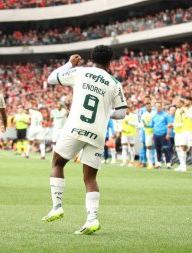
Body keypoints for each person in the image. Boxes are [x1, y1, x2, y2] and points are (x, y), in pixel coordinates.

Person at [42, 45, 127, 235]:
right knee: (90, 177)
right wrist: (105, 113)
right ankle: (92, 219)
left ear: (92, 58)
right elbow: (121, 112)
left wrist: (69, 64)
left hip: (75, 127)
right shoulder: (114, 83)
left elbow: (50, 79)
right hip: (97, 131)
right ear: (109, 61)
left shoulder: (80, 72)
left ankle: (57, 206)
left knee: (57, 162)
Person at [146, 101, 172, 169]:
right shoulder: (154, 116)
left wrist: (168, 133)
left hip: (163, 134)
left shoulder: (165, 115)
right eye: (156, 106)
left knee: (166, 149)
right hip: (156, 134)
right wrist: (146, 124)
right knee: (158, 150)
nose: (158, 108)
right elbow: (151, 125)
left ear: (161, 107)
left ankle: (168, 163)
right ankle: (159, 163)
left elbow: (169, 125)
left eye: (159, 106)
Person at [179, 97, 192, 173]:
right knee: (183, 147)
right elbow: (182, 120)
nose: (185, 102)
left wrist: (186, 113)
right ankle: (183, 166)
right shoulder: (183, 109)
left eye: (187, 101)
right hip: (184, 130)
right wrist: (181, 115)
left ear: (190, 101)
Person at [170, 100, 184, 171]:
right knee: (178, 148)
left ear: (181, 103)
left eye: (178, 103)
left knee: (182, 148)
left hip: (182, 132)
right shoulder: (177, 110)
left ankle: (183, 165)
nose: (176, 104)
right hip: (177, 131)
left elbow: (183, 123)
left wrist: (173, 124)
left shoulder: (183, 110)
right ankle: (181, 164)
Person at [141, 102, 156, 169]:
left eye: (149, 106)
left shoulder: (154, 113)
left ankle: (156, 162)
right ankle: (149, 163)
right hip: (147, 133)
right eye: (147, 107)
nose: (148, 108)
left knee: (156, 147)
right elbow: (142, 123)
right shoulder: (144, 115)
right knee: (148, 147)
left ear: (151, 107)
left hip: (155, 132)